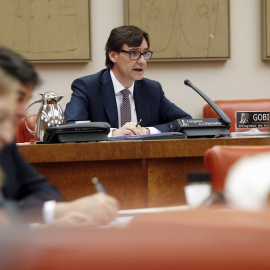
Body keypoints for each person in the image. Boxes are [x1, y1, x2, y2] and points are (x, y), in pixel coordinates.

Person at [0, 46, 119, 226]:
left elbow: (46, 192)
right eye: (18, 98)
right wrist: (58, 213)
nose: (23, 111)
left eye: (26, 99)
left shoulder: (4, 142)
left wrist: (48, 218)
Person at [64, 25, 192, 136]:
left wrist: (148, 131)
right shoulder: (87, 87)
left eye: (145, 54)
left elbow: (185, 121)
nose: (142, 61)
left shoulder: (152, 89)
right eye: (134, 53)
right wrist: (113, 133)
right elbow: (73, 127)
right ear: (113, 55)